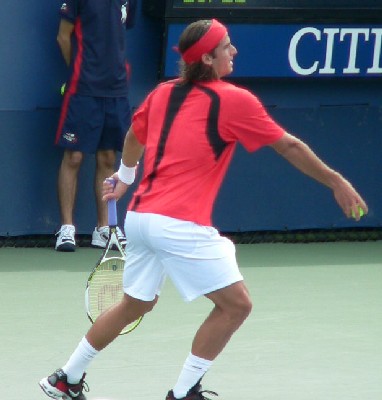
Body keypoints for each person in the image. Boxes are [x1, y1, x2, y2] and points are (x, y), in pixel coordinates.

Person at [39, 19, 368, 400]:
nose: (235, 51)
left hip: (141, 219)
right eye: (227, 46)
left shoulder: (162, 93)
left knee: (136, 304)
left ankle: (66, 377)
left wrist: (126, 176)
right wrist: (336, 182)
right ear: (208, 58)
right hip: (177, 223)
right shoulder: (233, 100)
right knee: (236, 305)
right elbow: (289, 147)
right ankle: (183, 394)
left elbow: (133, 135)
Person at [54, 0, 137, 252]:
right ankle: (66, 228)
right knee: (74, 156)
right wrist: (77, 73)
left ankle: (103, 229)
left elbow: (119, 32)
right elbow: (63, 37)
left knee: (107, 157)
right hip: (83, 88)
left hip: (116, 89)